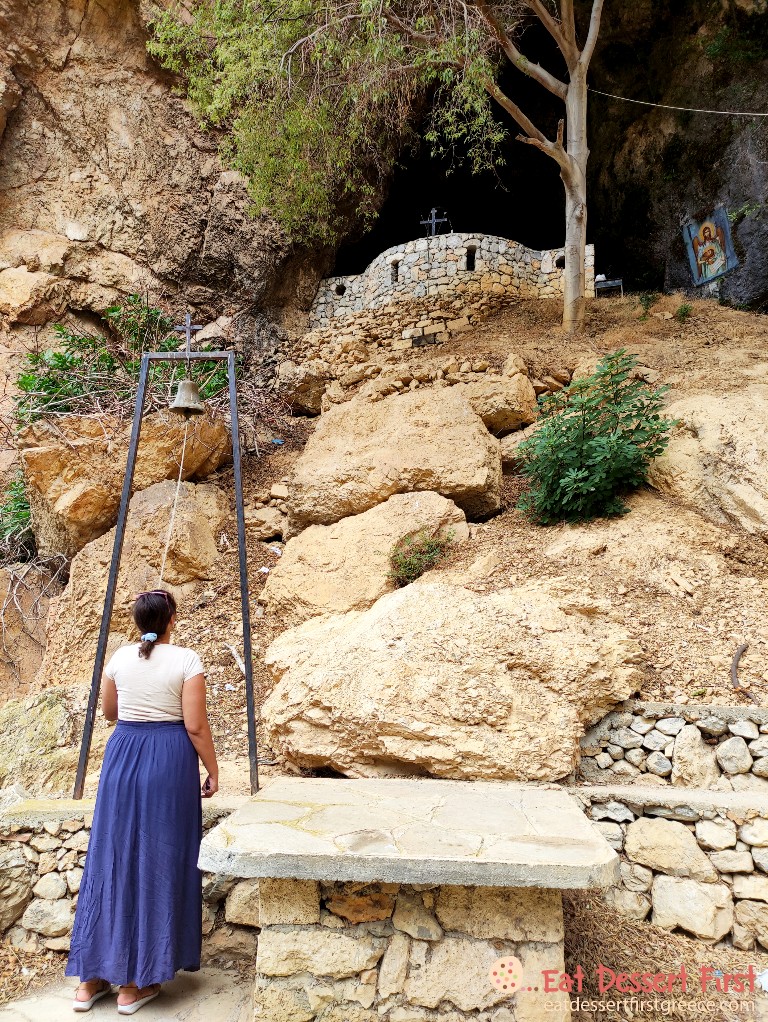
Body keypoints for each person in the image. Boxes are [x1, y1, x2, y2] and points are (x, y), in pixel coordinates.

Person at [66, 589, 218, 1015]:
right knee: (158, 859)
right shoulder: (186, 660)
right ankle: (135, 984)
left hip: (123, 755)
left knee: (110, 858)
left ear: (137, 621)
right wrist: (213, 769)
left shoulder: (118, 657)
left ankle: (91, 979)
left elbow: (110, 713)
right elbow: (195, 726)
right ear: (172, 620)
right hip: (168, 759)